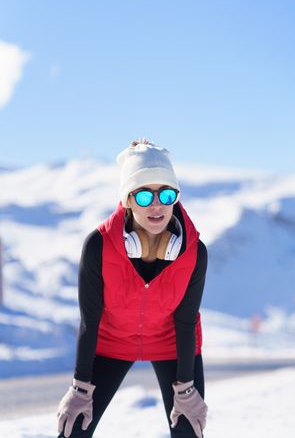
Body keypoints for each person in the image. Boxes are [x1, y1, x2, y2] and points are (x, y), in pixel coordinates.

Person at [57, 138, 208, 438]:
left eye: (166, 194)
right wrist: (80, 387)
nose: (156, 205)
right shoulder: (99, 246)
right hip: (111, 343)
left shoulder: (194, 252)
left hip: (170, 344)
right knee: (74, 429)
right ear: (126, 200)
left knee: (189, 429)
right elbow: (90, 319)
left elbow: (186, 320)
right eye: (143, 196)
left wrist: (186, 387)